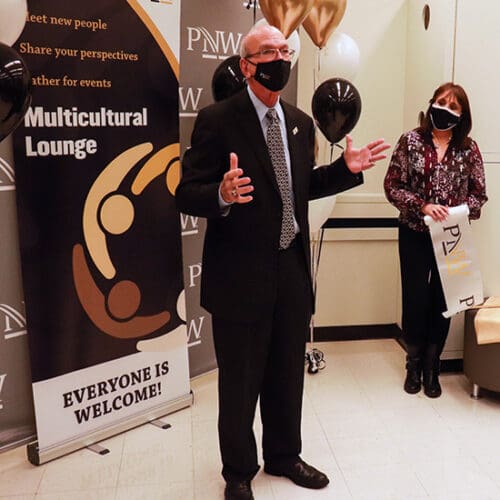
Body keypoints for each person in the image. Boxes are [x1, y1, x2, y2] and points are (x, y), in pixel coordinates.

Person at [176, 24, 390, 500]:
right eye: (268, 51)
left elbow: (298, 189)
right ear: (247, 63)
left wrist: (345, 171)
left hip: (290, 272)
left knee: (287, 372)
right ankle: (237, 472)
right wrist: (222, 193)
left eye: (284, 49)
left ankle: (284, 455)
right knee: (239, 382)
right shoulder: (217, 120)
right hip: (240, 277)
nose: (280, 57)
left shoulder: (299, 122)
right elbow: (185, 192)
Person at [384, 82, 487, 399]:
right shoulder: (410, 141)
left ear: (462, 115)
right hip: (414, 232)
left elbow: (479, 196)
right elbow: (392, 185)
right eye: (441, 102)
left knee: (444, 302)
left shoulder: (469, 149)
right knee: (415, 300)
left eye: (454, 106)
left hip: (452, 238)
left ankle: (433, 368)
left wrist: (455, 211)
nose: (446, 109)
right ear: (431, 104)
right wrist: (422, 206)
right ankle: (413, 365)